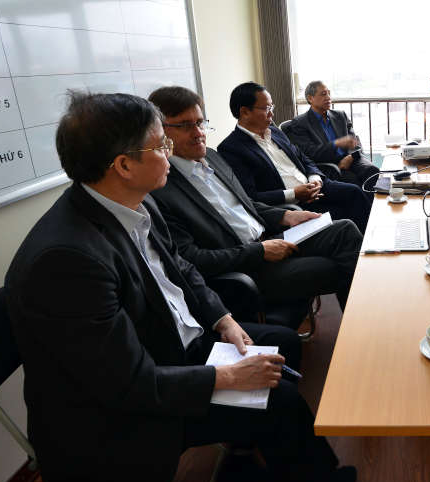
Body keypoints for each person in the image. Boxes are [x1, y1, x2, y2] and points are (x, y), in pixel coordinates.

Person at [4, 91, 356, 482]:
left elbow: (182, 269)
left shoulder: (133, 203)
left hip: (171, 345)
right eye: (161, 144)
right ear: (124, 165)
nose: (170, 153)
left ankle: (251, 454)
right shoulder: (66, 261)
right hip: (117, 414)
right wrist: (227, 378)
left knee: (282, 343)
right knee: (277, 398)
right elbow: (127, 384)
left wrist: (224, 320)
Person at [148, 86, 361, 312]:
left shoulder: (212, 156)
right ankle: (363, 325)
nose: (198, 132)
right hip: (248, 265)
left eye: (200, 123)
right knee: (340, 266)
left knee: (345, 230)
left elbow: (246, 203)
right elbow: (191, 259)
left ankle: (363, 322)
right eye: (184, 125)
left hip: (269, 237)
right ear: (159, 132)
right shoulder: (162, 187)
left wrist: (286, 215)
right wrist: (259, 251)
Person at [218, 83, 371, 233]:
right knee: (344, 219)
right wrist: (294, 194)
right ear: (245, 112)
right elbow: (250, 197)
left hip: (315, 186)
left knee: (355, 193)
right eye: (266, 109)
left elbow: (304, 158)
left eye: (272, 107)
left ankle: (371, 242)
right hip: (294, 205)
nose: (272, 114)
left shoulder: (274, 132)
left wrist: (315, 178)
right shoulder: (231, 148)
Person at [285, 81, 380, 187]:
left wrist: (351, 157)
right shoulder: (300, 123)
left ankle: (366, 198)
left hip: (350, 158)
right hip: (329, 164)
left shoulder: (340, 116)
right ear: (310, 98)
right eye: (323, 94)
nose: (328, 97)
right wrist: (336, 143)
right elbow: (310, 153)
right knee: (354, 182)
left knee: (373, 171)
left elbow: (355, 142)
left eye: (329, 93)